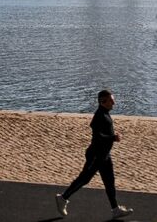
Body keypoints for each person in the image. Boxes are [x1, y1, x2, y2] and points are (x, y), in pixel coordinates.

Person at [55, 90, 133, 219]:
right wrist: (113, 138)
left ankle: (115, 209)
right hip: (96, 155)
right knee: (84, 179)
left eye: (113, 99)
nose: (114, 102)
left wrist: (111, 138)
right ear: (103, 101)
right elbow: (98, 136)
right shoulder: (99, 115)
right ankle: (63, 198)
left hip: (105, 155)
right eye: (111, 100)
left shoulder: (105, 113)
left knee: (109, 182)